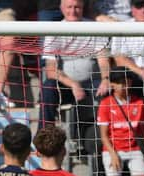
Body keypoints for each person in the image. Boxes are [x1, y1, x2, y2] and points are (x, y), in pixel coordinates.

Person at [39, 0, 112, 153]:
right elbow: (51, 70)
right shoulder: (54, 30)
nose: (73, 11)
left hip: (93, 84)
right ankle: (43, 136)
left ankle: (93, 142)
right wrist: (73, 84)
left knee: (108, 91)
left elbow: (103, 60)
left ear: (83, 8)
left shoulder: (93, 28)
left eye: (77, 7)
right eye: (69, 7)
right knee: (48, 87)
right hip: (67, 86)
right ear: (61, 8)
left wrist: (106, 79)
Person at [97, 66, 144, 176]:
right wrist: (113, 154)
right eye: (120, 83)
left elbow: (142, 131)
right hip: (113, 149)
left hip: (133, 148)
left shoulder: (139, 102)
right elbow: (103, 135)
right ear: (112, 84)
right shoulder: (106, 104)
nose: (123, 86)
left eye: (126, 83)